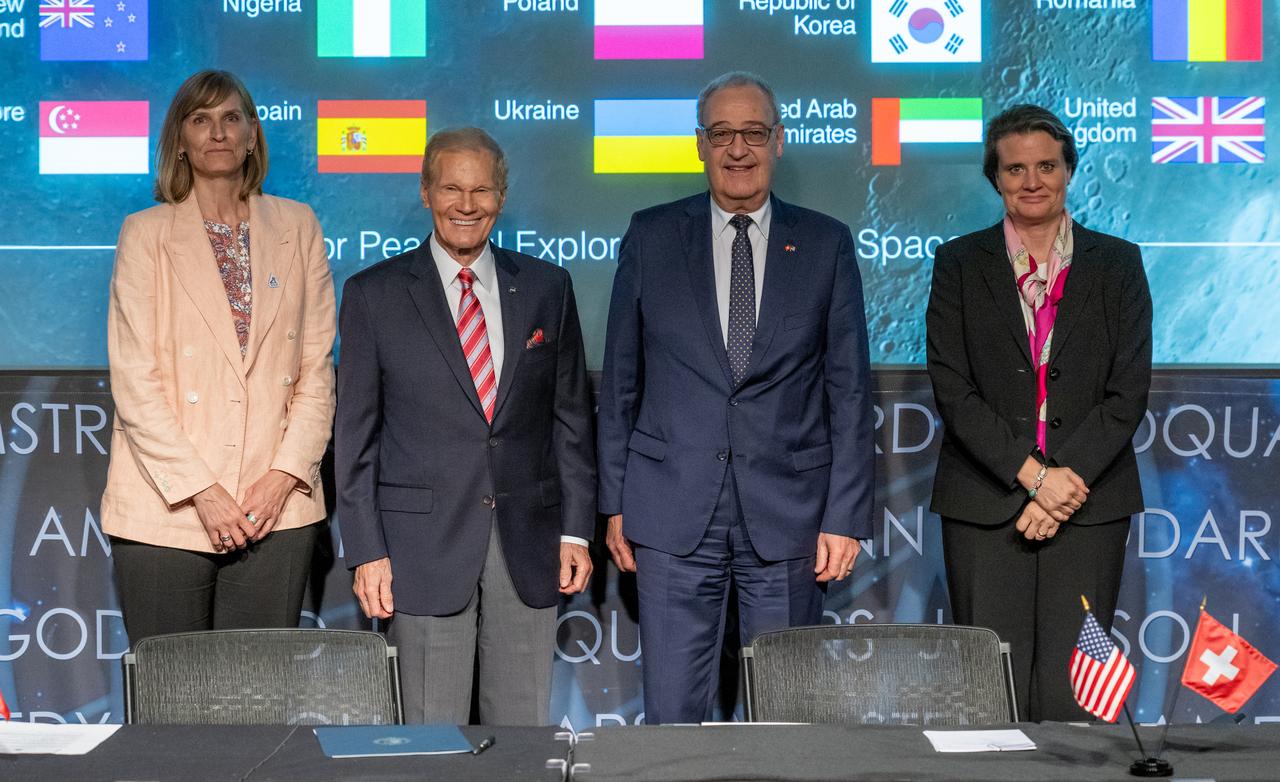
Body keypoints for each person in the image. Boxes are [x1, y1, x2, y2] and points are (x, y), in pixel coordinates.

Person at [597, 72, 875, 724]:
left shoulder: (826, 244)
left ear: (778, 141)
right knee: (672, 716)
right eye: (722, 133)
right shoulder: (652, 236)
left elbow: (850, 391)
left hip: (789, 515)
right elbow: (620, 383)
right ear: (699, 144)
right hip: (670, 515)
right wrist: (614, 502)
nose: (738, 149)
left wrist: (845, 513)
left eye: (753, 132)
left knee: (785, 715)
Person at [336, 127, 595, 725]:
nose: (467, 204)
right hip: (418, 550)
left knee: (522, 740)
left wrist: (577, 531)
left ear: (501, 198)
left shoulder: (548, 288)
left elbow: (571, 421)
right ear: (426, 192)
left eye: (481, 190)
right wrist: (366, 550)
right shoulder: (373, 295)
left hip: (527, 546)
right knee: (429, 741)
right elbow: (355, 439)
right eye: (451, 188)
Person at [926, 104, 1152, 721]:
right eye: (1015, 168)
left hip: (1088, 504)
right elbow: (953, 386)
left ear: (1069, 171)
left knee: (1073, 697)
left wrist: (1060, 485)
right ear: (995, 178)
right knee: (989, 699)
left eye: (1046, 166)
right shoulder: (959, 264)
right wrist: (1033, 477)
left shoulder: (1118, 263)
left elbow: (1127, 391)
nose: (1032, 181)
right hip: (985, 503)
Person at [102, 70, 336, 644]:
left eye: (232, 118)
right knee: (170, 702)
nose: (218, 132)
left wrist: (282, 478)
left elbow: (315, 371)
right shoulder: (145, 234)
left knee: (254, 707)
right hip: (166, 507)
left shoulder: (297, 225)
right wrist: (202, 492)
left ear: (253, 135)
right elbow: (135, 380)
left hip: (274, 510)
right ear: (179, 139)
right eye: (200, 120)